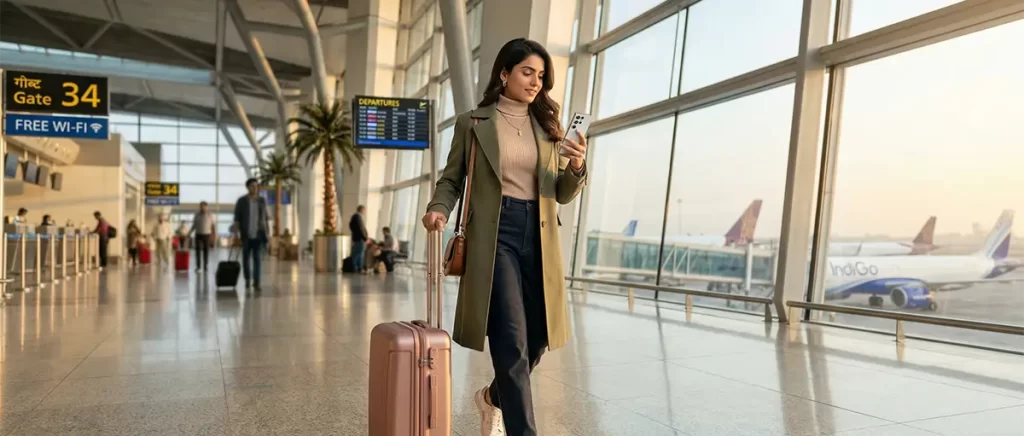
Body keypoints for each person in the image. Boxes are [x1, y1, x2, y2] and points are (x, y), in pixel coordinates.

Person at [422, 38, 588, 436]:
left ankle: (493, 398)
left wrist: (577, 166)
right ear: (504, 73)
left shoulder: (549, 127)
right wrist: (439, 208)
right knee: (511, 341)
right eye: (527, 72)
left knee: (539, 338)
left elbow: (560, 193)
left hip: (541, 237)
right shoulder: (474, 122)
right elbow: (452, 178)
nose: (535, 82)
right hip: (494, 236)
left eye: (541, 75)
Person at [233, 178, 270, 290]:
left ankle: (257, 281)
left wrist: (268, 234)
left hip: (259, 234)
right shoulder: (241, 201)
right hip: (246, 235)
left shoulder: (262, 201)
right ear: (248, 187)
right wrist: (236, 236)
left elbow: (266, 218)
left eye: (256, 186)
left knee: (257, 258)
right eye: (252, 186)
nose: (254, 188)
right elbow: (237, 219)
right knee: (245, 259)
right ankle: (248, 280)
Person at [190, 201, 216, 271]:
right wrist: (189, 233)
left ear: (207, 207)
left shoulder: (211, 215)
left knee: (206, 251)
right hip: (198, 234)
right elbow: (194, 225)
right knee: (197, 251)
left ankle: (205, 266)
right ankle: (198, 267)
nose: (202, 208)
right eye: (200, 206)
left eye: (203, 207)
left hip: (207, 235)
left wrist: (214, 236)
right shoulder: (196, 215)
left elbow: (213, 226)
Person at [348, 205, 369, 274]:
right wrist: (365, 238)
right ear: (362, 209)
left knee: (356, 253)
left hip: (356, 238)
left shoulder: (354, 216)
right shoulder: (358, 217)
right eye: (364, 210)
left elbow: (351, 225)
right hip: (360, 239)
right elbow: (361, 229)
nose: (365, 212)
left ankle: (355, 267)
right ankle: (359, 268)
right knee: (360, 253)